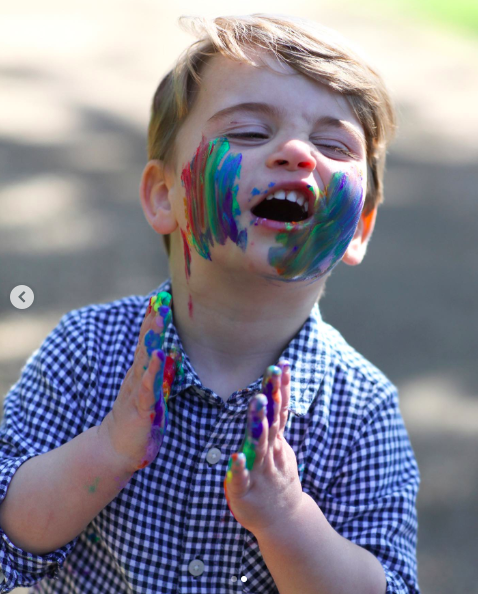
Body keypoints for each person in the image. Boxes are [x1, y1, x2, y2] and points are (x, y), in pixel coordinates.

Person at [0, 14, 420, 594]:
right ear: (162, 195)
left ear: (359, 227)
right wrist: (108, 450)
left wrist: (285, 518)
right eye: (249, 131)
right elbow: (10, 541)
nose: (297, 152)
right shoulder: (85, 352)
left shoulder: (361, 410)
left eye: (331, 144)